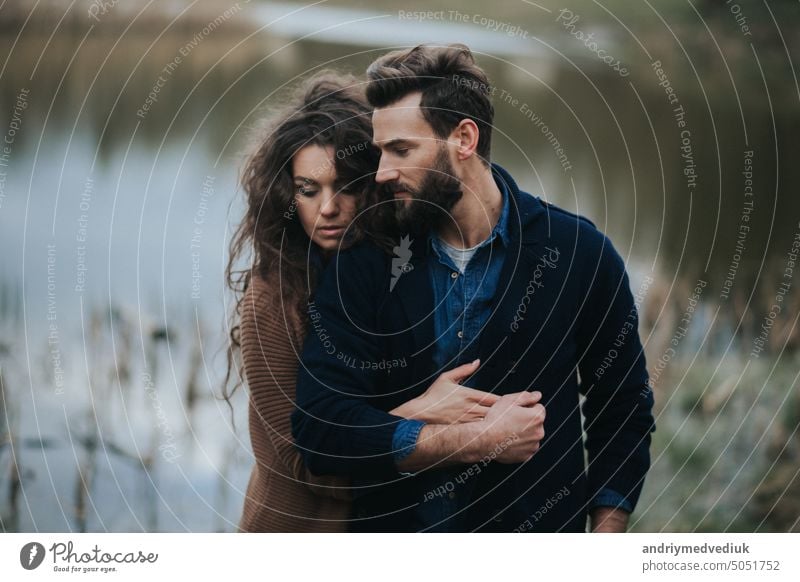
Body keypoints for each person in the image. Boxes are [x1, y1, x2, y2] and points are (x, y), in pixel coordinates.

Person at [292, 45, 656, 532]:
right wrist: (475, 439)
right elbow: (319, 429)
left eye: (401, 150)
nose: (381, 173)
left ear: (463, 139)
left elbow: (624, 408)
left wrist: (606, 537)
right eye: (381, 152)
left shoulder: (579, 254)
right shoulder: (367, 261)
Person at [225, 72, 504, 532]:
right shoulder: (273, 298)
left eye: (347, 187)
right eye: (308, 190)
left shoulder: (396, 267)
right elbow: (310, 464)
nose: (328, 208)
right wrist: (421, 414)